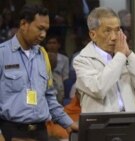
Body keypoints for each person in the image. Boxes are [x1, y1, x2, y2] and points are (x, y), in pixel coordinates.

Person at [0, 4, 78, 141]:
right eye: (40, 28)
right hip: (11, 132)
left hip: (41, 133)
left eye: (46, 30)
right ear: (24, 24)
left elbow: (49, 97)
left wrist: (68, 123)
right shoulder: (2, 54)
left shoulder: (42, 55)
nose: (43, 34)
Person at [73, 7, 135, 113]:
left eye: (117, 30)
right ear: (93, 35)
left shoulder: (125, 57)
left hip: (129, 123)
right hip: (101, 126)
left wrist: (128, 54)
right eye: (107, 31)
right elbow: (99, 89)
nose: (114, 37)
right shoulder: (81, 60)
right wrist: (120, 56)